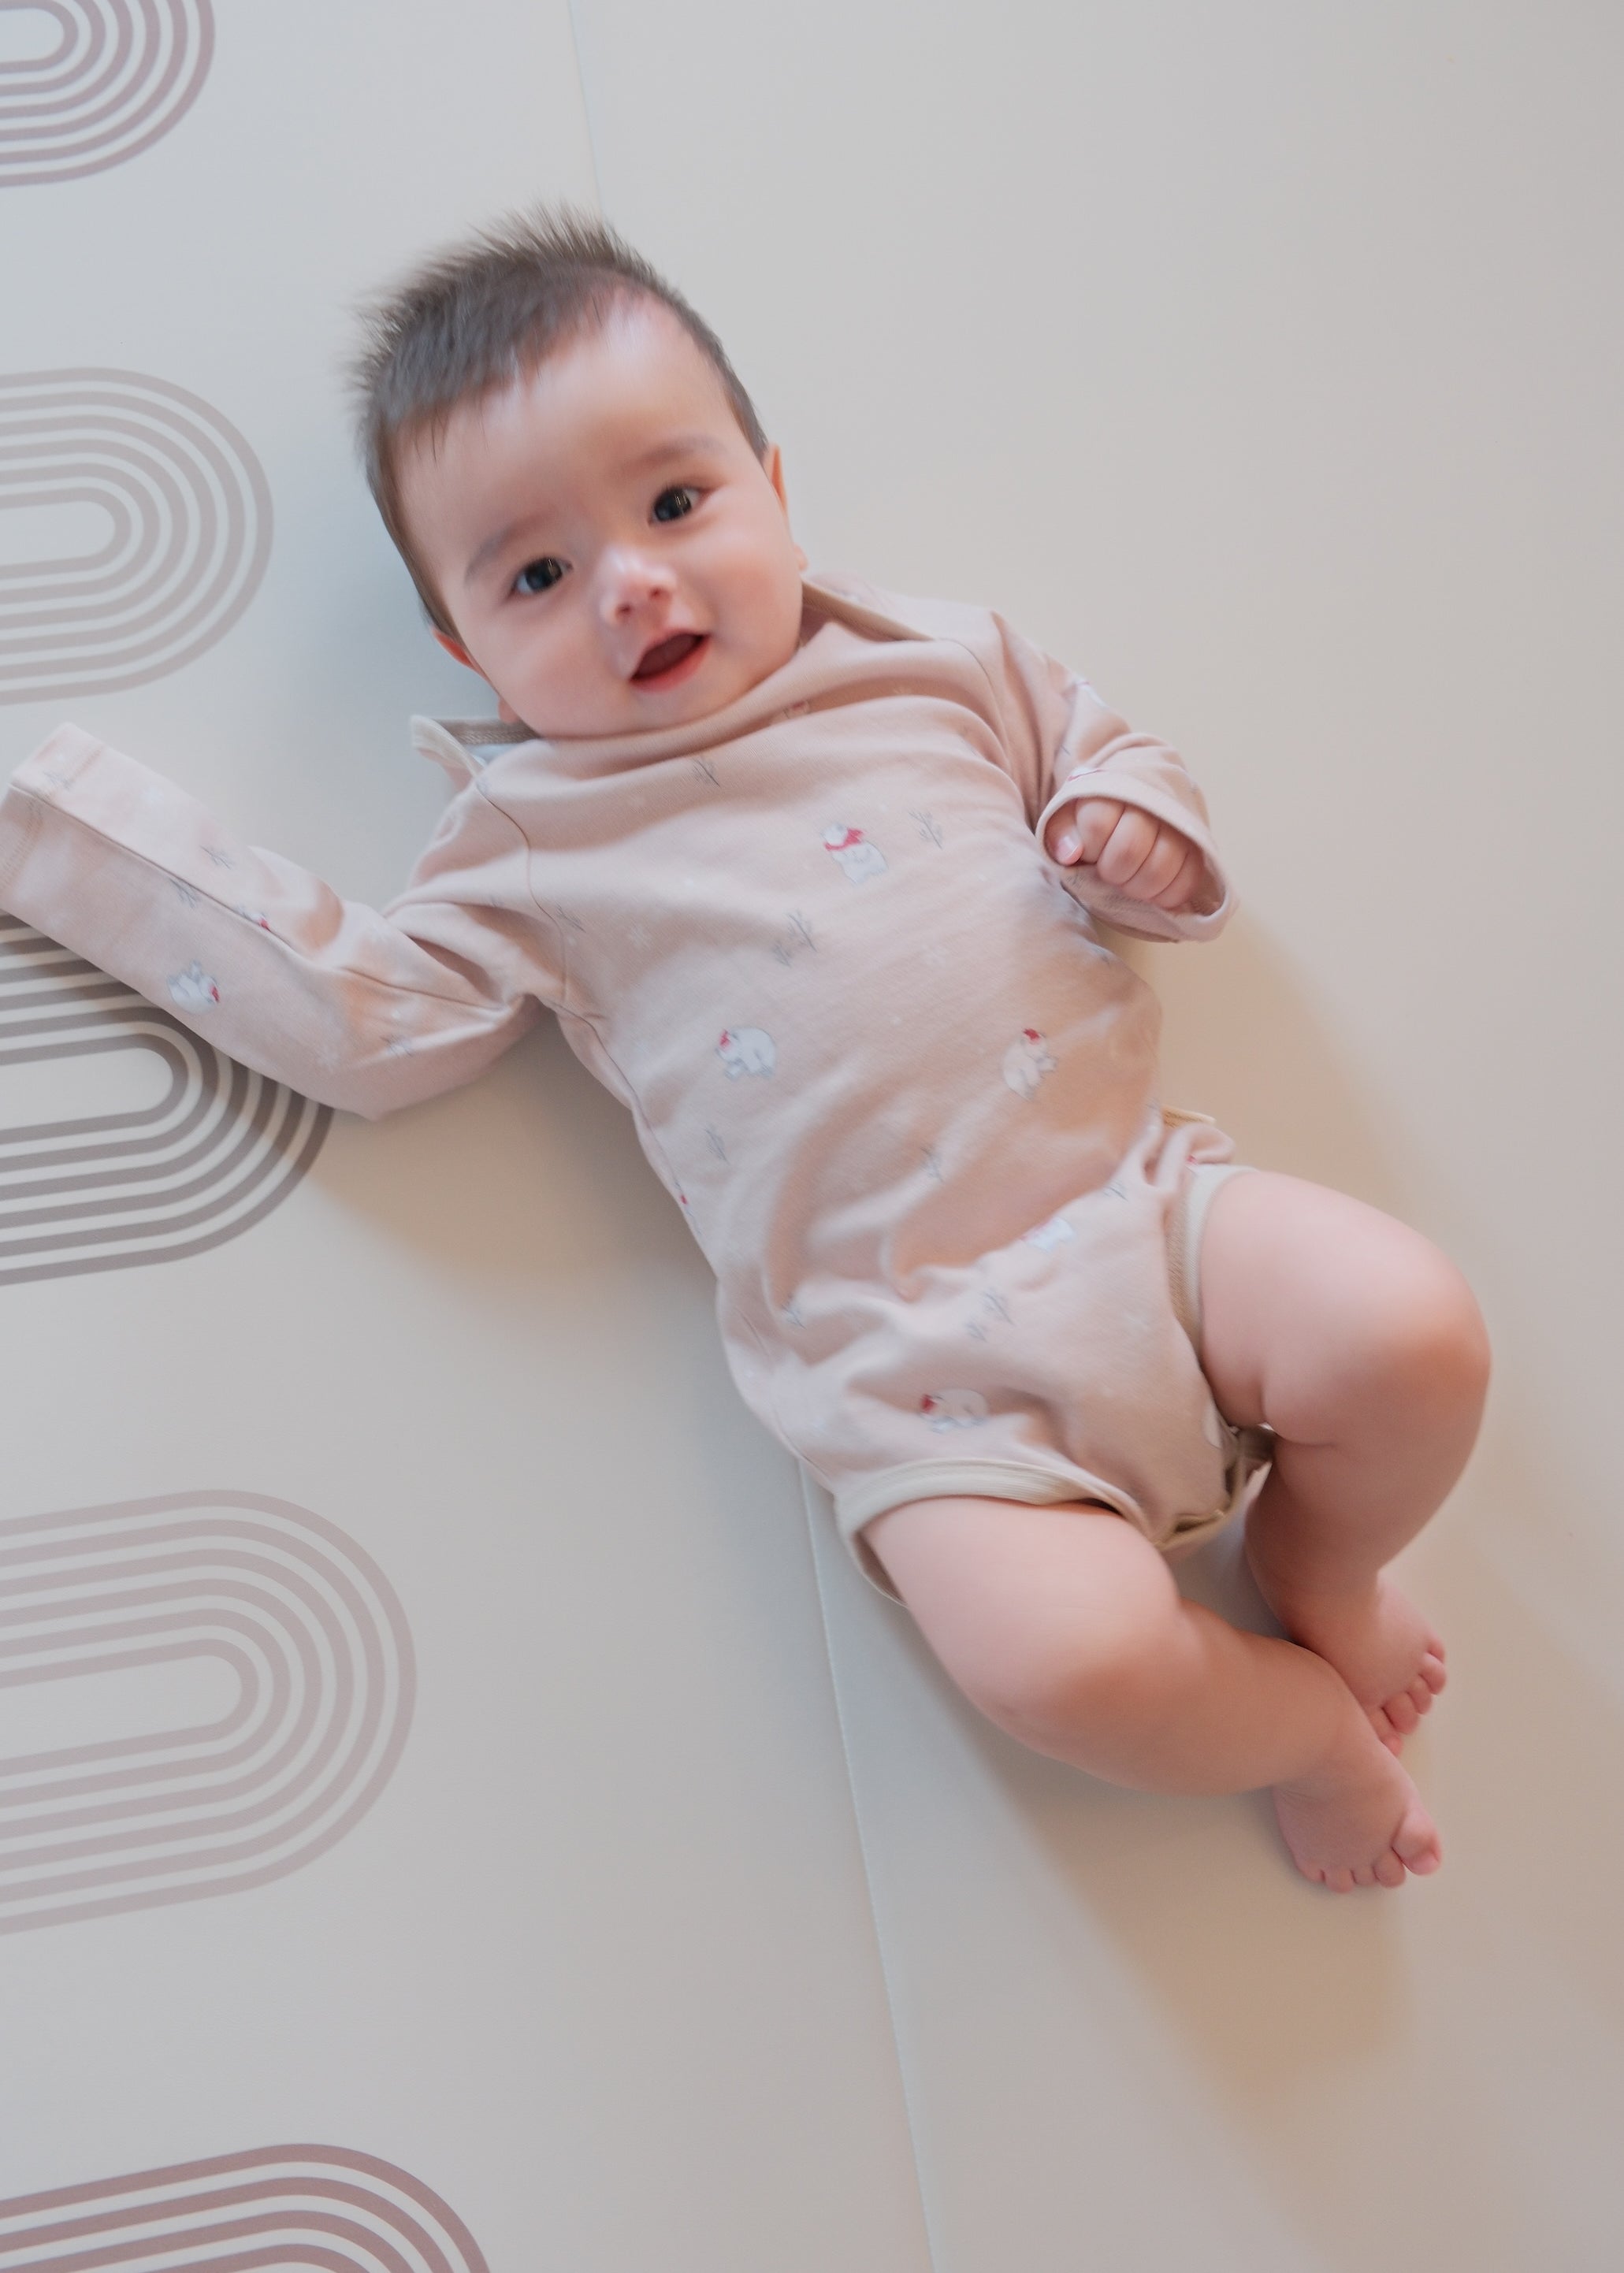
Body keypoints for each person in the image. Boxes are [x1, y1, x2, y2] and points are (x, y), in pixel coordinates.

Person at [0, 210, 1489, 1891]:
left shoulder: (936, 662)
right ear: (462, 648)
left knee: (1411, 1335)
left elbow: (1105, 751)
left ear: (773, 487)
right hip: (908, 1376)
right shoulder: (527, 843)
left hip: (1148, 1222)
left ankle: (1321, 1571)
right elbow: (372, 1022)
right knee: (1059, 1668)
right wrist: (69, 847)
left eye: (676, 502)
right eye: (536, 575)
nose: (631, 580)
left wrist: (1131, 831)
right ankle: (1292, 1728)